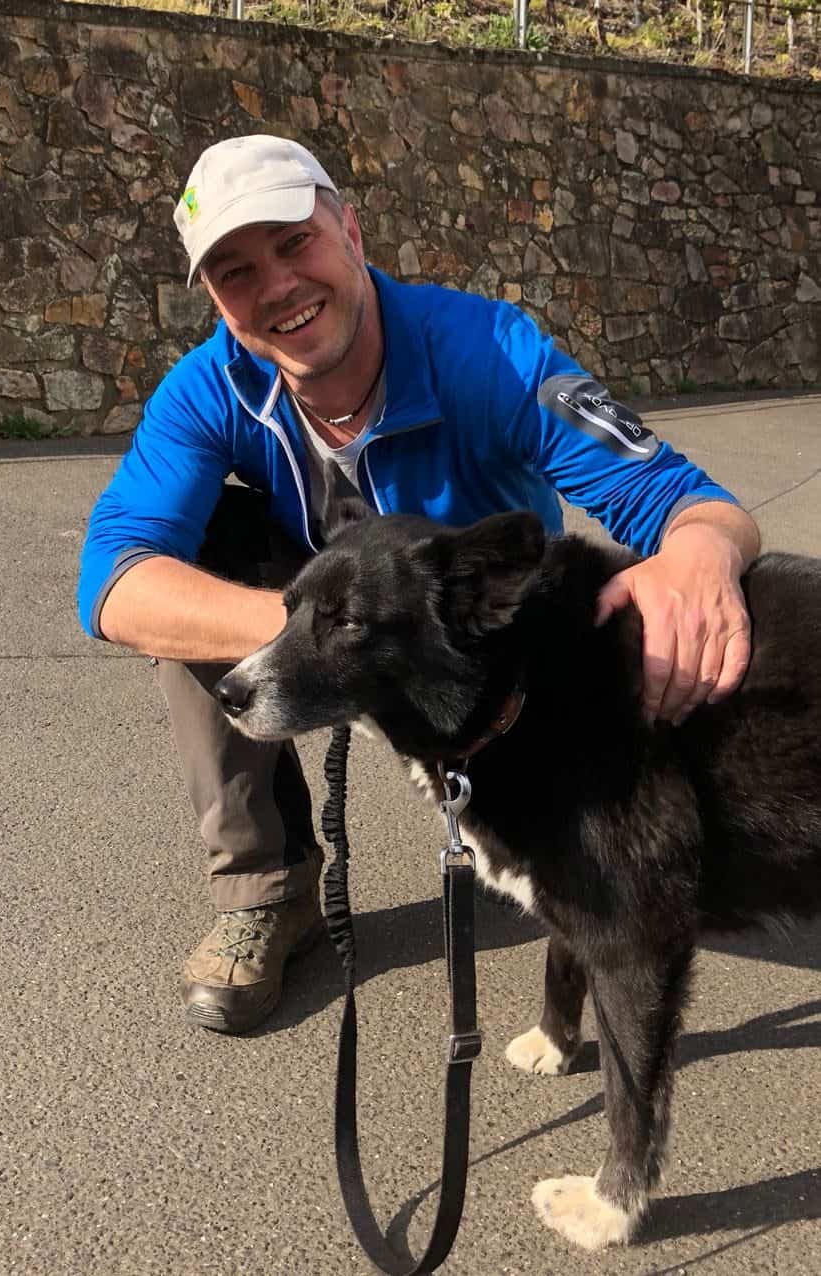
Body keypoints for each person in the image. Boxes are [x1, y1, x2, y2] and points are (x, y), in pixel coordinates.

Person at [77, 134, 760, 1035]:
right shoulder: (207, 389)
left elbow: (687, 501)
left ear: (351, 233)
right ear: (213, 297)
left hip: (482, 635)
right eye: (237, 271)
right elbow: (113, 582)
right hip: (336, 610)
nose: (277, 285)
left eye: (295, 243)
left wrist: (703, 557)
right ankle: (266, 888)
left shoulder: (492, 351)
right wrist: (323, 637)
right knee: (205, 545)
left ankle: (562, 851)